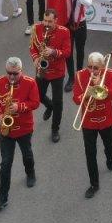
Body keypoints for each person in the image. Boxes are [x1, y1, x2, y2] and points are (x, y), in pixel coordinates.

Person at [0, 56, 40, 211]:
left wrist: (19, 107)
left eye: (15, 74)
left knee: (27, 154)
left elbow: (35, 103)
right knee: (5, 164)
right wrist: (0, 115)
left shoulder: (30, 83)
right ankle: (2, 197)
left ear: (21, 71)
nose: (11, 77)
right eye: (9, 73)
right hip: (6, 130)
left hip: (24, 128)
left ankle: (30, 173)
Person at [72, 52, 112, 198]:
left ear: (102, 67)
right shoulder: (80, 75)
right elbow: (76, 99)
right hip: (89, 121)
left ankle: (109, 155)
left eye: (96, 68)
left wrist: (100, 85)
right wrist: (87, 93)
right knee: (90, 153)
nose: (92, 71)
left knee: (111, 145)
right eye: (90, 67)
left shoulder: (110, 74)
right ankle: (94, 183)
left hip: (106, 119)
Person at [30, 9, 71, 143]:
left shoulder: (64, 32)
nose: (46, 24)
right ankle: (49, 106)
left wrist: (53, 52)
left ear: (56, 21)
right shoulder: (37, 28)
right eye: (45, 20)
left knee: (58, 101)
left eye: (50, 21)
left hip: (57, 72)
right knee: (38, 96)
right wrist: (36, 58)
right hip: (42, 70)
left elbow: (67, 52)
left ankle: (55, 129)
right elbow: (33, 48)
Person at [66, 0, 93, 77]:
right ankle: (71, 77)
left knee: (80, 50)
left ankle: (79, 74)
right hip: (69, 24)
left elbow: (89, 3)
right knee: (68, 52)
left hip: (81, 25)